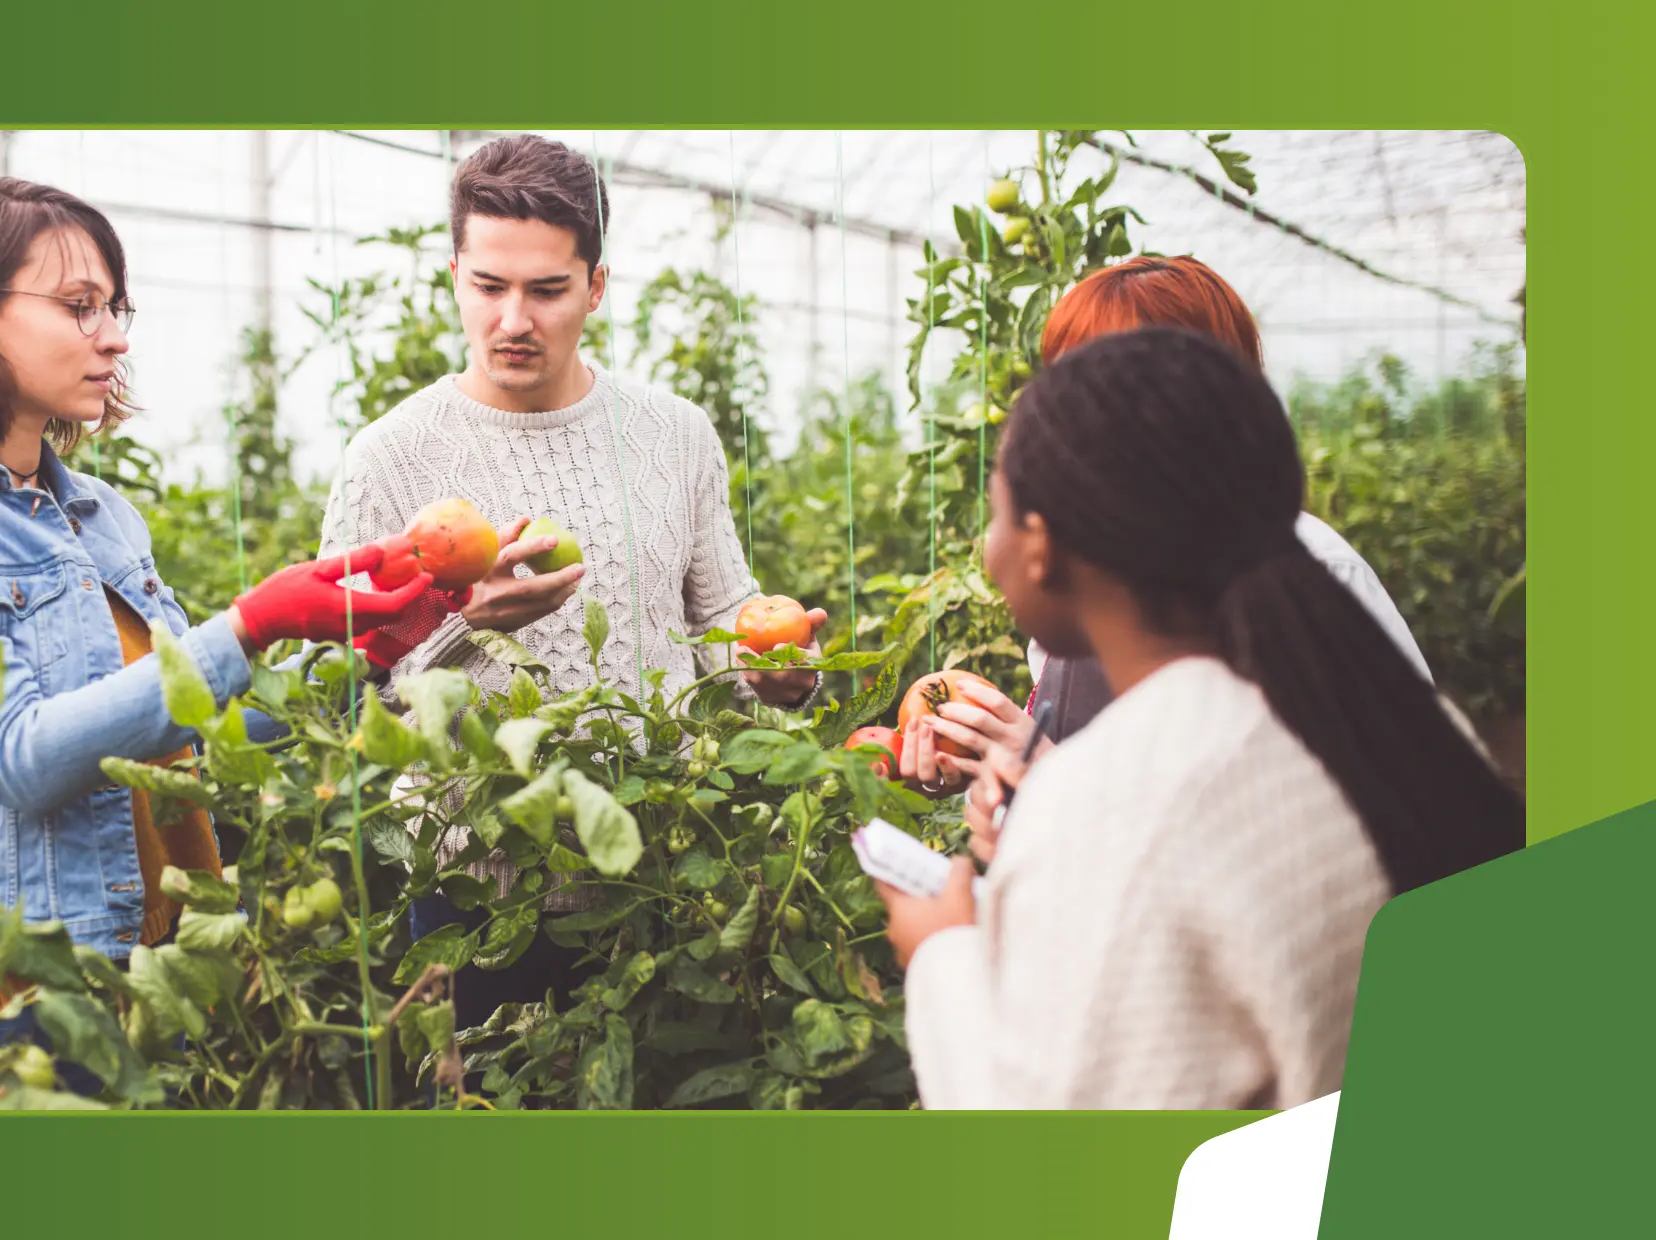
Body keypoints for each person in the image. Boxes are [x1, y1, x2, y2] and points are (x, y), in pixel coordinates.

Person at [0, 178, 440, 1087]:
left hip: (153, 969)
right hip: (9, 989)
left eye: (116, 307)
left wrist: (369, 655)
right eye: (79, 306)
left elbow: (194, 734)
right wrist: (251, 623)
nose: (114, 336)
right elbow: (16, 758)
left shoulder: (102, 516)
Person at [874, 327, 1521, 1108]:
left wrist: (940, 951)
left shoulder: (1116, 796)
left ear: (1040, 546)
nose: (989, 544)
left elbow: (1055, 1139)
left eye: (996, 513)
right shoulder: (1399, 718)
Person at [318, 134, 823, 1020]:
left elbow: (721, 617)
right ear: (454, 276)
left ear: (595, 286)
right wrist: (468, 627)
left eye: (548, 290)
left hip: (662, 866)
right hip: (477, 892)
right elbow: (346, 695)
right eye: (489, 287)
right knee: (484, 1098)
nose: (514, 320)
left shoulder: (674, 435)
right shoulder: (388, 460)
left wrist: (775, 672)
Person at [903, 256, 1434, 800]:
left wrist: (1054, 781)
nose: (1069, 411)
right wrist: (993, 771)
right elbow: (1074, 740)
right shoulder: (1085, 565)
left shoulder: (1317, 568)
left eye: (1108, 381)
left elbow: (1387, 807)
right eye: (1063, 378)